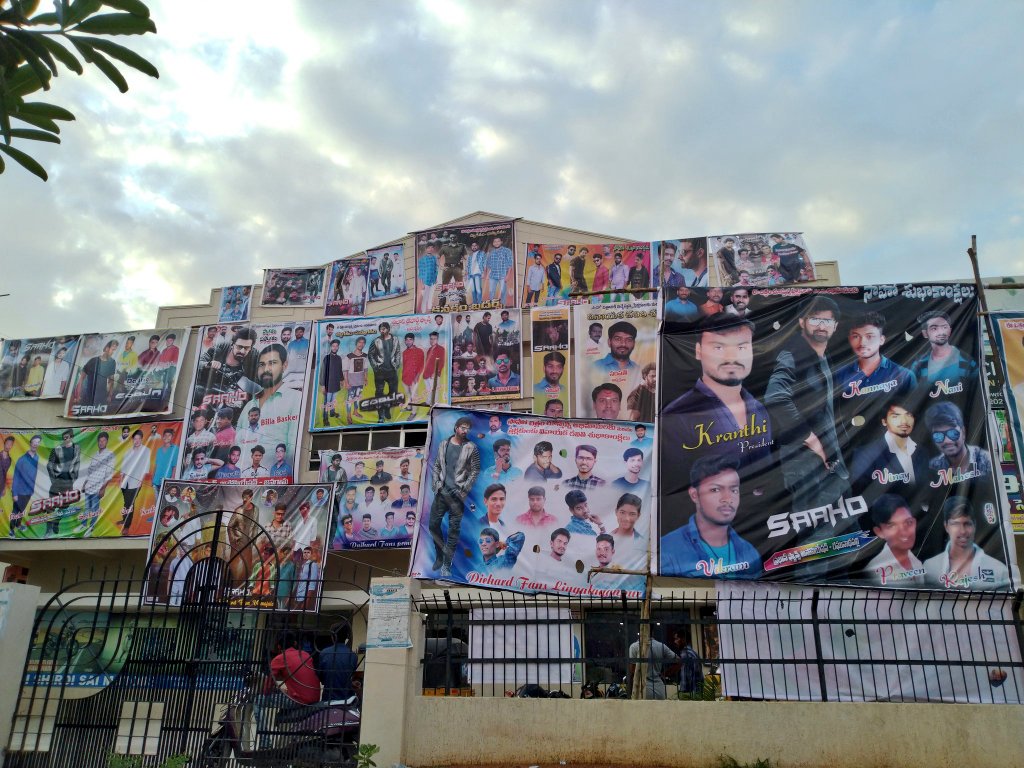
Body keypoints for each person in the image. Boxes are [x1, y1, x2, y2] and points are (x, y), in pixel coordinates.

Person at [662, 314, 772, 490]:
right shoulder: (678, 416)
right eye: (719, 347)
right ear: (698, 351)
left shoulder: (759, 409)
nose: (731, 358)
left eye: (742, 347)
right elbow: (675, 490)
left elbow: (766, 476)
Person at [764, 296, 848, 515]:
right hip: (803, 456)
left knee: (839, 522)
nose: (821, 325)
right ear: (802, 322)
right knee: (814, 526)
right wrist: (810, 439)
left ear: (835, 326)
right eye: (815, 319)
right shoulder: (792, 353)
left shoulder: (824, 355)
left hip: (827, 452)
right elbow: (776, 397)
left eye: (827, 321)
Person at [659, 454, 761, 579]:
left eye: (734, 490)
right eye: (715, 490)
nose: (728, 499)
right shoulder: (666, 549)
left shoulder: (750, 552)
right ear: (694, 495)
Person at [833, 312, 917, 428]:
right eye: (856, 336)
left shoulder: (903, 375)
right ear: (849, 339)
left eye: (869, 336)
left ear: (882, 340)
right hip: (851, 442)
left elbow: (915, 413)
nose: (862, 343)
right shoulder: (839, 375)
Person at [850, 399, 931, 506]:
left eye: (908, 415)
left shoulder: (922, 452)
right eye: (896, 416)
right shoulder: (865, 454)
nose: (904, 421)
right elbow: (860, 496)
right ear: (884, 421)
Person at [428, 417, 480, 576]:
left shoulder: (471, 447)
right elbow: (437, 465)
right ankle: (439, 555)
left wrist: (464, 489)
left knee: (453, 531)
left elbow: (475, 470)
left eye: (468, 429)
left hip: (458, 495)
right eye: (463, 427)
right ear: (456, 427)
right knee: (433, 525)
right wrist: (436, 483)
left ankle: (446, 565)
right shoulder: (444, 444)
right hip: (442, 492)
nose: (465, 431)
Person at [922, 497, 1010, 590]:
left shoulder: (999, 570)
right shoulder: (930, 566)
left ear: (974, 525)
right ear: (946, 526)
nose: (963, 531)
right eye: (955, 524)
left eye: (967, 524)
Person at [238, 344, 301, 462]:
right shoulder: (249, 406)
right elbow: (237, 444)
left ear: (284, 365)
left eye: (272, 363)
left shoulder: (296, 399)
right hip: (245, 477)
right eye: (262, 365)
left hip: (279, 477)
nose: (266, 369)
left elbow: (293, 448)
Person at [863, 493, 925, 587]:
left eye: (908, 522)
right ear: (879, 532)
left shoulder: (917, 562)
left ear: (915, 523)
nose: (903, 532)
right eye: (892, 526)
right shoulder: (874, 570)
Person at [909, 310, 978, 394]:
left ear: (950, 331)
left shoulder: (967, 362)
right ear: (925, 333)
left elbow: (977, 395)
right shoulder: (919, 364)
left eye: (944, 327)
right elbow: (912, 395)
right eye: (934, 328)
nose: (941, 332)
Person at [925, 401, 992, 480]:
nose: (947, 441)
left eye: (953, 433)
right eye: (938, 436)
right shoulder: (933, 467)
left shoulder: (987, 461)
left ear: (963, 433)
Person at [45, 429, 80, 536]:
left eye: (67, 437)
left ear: (71, 437)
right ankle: (49, 529)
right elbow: (49, 464)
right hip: (58, 481)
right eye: (64, 438)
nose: (65, 439)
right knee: (51, 505)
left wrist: (74, 478)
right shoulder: (57, 449)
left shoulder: (76, 448)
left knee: (64, 505)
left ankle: (56, 522)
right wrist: (53, 479)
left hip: (69, 481)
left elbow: (77, 463)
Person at [270, 634, 321, 705]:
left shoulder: (280, 658)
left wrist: (263, 691)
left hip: (298, 700)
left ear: (278, 646)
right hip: (315, 698)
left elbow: (269, 683)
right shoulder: (305, 654)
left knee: (257, 699)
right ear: (295, 643)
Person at [368, 321, 402, 422]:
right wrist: (375, 367)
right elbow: (370, 354)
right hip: (380, 371)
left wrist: (397, 364)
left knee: (393, 393)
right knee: (379, 393)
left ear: (388, 329)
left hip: (391, 370)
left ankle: (387, 408)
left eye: (384, 329)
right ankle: (381, 416)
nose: (382, 331)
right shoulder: (376, 341)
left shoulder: (395, 339)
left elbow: (398, 352)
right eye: (380, 329)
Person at [118, 429, 150, 533]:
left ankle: (127, 526)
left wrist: (140, 481)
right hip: (125, 482)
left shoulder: (146, 450)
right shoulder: (128, 452)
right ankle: (124, 520)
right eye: (134, 439)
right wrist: (121, 480)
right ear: (132, 440)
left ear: (141, 439)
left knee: (130, 503)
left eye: (138, 439)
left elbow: (146, 467)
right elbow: (123, 467)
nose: (136, 441)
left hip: (136, 481)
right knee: (126, 502)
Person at [318, 622, 359, 702]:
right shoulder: (353, 656)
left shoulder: (324, 653)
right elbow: (347, 676)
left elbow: (322, 678)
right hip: (347, 700)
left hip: (328, 700)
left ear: (332, 636)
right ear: (347, 637)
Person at [9, 435, 41, 536]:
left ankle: (18, 525)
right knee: (15, 511)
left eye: (38, 442)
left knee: (22, 510)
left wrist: (32, 489)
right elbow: (16, 477)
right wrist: (14, 493)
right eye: (34, 441)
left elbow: (34, 474)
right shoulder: (21, 459)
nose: (35, 444)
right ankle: (11, 530)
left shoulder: (37, 457)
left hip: (28, 491)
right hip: (19, 492)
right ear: (30, 443)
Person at [80, 339, 119, 410]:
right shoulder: (93, 360)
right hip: (88, 394)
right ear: (107, 348)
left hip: (101, 395)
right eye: (112, 349)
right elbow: (82, 378)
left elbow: (111, 380)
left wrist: (110, 395)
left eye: (114, 350)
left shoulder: (112, 362)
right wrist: (79, 394)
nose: (113, 352)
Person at [342, 336, 369, 422]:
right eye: (359, 342)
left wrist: (365, 378)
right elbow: (345, 370)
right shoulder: (349, 356)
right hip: (351, 381)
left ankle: (355, 412)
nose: (361, 344)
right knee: (350, 399)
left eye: (363, 342)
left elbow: (365, 368)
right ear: (356, 343)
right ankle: (349, 416)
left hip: (360, 381)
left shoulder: (365, 356)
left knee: (357, 397)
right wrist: (346, 382)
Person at [484, 236, 514, 304]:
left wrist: (508, 275)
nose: (496, 243)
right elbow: (488, 265)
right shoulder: (491, 252)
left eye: (498, 241)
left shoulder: (507, 251)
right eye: (495, 242)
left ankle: (503, 305)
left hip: (503, 275)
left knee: (503, 291)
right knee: (491, 291)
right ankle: (491, 305)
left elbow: (510, 264)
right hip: (492, 276)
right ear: (493, 243)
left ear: (501, 242)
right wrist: (487, 275)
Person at [321, 337, 344, 425]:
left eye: (336, 346)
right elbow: (323, 372)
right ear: (330, 347)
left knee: (333, 400)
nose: (334, 348)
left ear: (338, 347)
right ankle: (325, 418)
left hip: (336, 383)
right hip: (328, 385)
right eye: (333, 346)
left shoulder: (339, 358)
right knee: (327, 401)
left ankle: (332, 412)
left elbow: (340, 370)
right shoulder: (326, 358)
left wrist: (342, 380)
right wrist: (323, 385)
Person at [401, 333, 425, 412]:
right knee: (408, 394)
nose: (408, 342)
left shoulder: (419, 351)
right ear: (405, 341)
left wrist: (417, 377)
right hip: (405, 378)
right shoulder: (404, 352)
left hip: (414, 378)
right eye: (407, 340)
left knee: (414, 396)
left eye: (410, 340)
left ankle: (414, 413)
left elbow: (421, 365)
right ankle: (409, 407)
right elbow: (404, 365)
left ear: (413, 341)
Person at [421, 331, 446, 406]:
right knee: (429, 389)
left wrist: (435, 372)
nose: (432, 340)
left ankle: (434, 406)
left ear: (437, 339)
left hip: (434, 374)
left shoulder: (441, 349)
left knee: (435, 391)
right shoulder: (429, 349)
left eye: (434, 339)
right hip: (427, 373)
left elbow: (442, 362)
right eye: (431, 339)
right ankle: (428, 402)